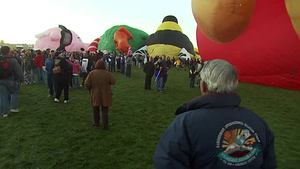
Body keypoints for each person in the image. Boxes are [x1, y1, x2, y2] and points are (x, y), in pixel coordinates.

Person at [153, 59, 277, 169]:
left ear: (203, 86)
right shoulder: (258, 122)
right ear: (234, 86)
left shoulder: (184, 124)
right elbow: (269, 163)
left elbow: (166, 162)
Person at [84, 59, 116, 130]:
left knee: (95, 108)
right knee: (105, 110)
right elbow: (113, 81)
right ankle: (105, 125)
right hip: (106, 93)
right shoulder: (107, 73)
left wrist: (90, 89)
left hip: (95, 93)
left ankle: (96, 122)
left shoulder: (92, 73)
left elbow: (86, 83)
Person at [0, 46, 24, 117]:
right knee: (14, 92)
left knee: (3, 96)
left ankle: (4, 113)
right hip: (11, 79)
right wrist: (21, 79)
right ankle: (13, 108)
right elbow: (18, 71)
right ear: (8, 51)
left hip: (1, 80)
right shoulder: (13, 60)